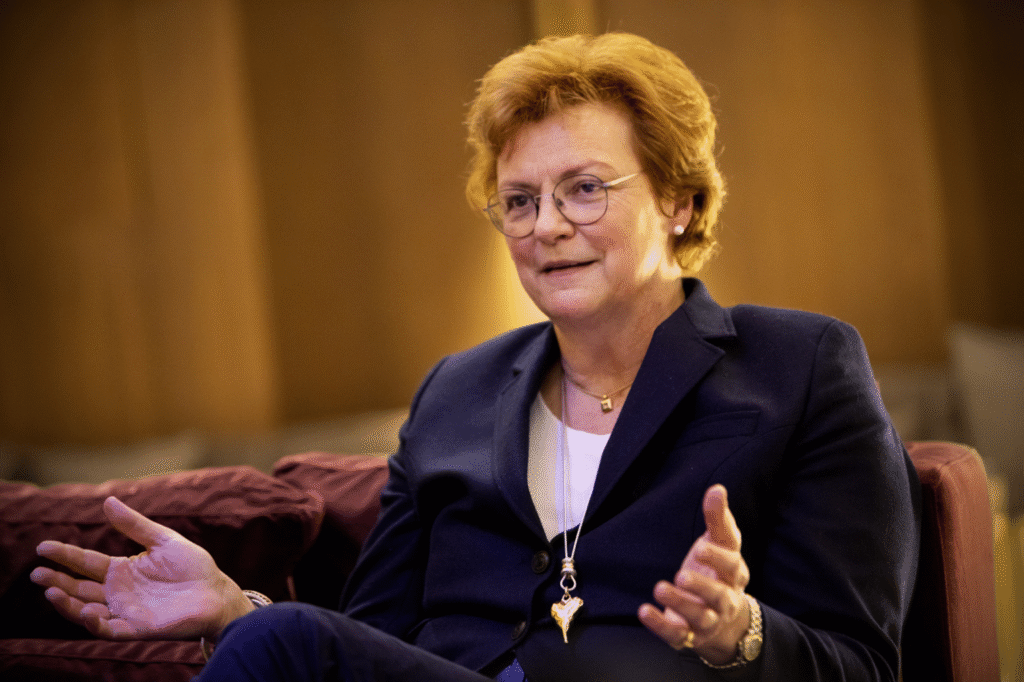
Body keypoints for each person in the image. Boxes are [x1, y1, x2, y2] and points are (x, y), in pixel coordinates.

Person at [31, 32, 920, 681]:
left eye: (584, 189)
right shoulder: (456, 391)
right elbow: (366, 643)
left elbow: (865, 663)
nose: (547, 226)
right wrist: (237, 610)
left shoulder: (799, 364)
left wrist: (741, 634)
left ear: (679, 201)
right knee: (276, 639)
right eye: (519, 201)